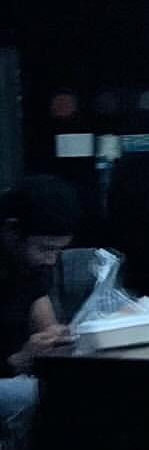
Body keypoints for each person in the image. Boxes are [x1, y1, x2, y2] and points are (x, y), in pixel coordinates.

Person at [0, 175, 78, 420]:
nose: (51, 260)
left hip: (16, 376)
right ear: (11, 231)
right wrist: (17, 361)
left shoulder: (31, 266)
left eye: (58, 250)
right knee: (52, 395)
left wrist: (57, 339)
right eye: (45, 248)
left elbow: (46, 324)